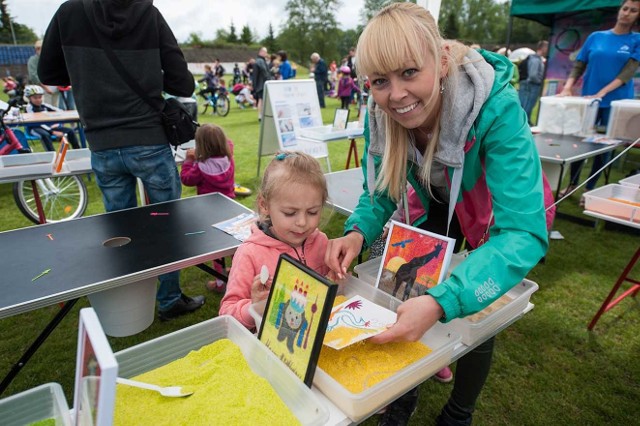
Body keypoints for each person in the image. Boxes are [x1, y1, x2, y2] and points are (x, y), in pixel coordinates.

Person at [323, 4, 550, 425]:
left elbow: (521, 231)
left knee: (475, 302)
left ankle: (458, 413)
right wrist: (356, 233)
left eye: (409, 72)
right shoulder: (379, 113)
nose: (395, 95)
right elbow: (381, 190)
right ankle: (403, 391)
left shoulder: (495, 106)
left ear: (442, 61)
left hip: (490, 216)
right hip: (431, 201)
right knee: (405, 288)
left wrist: (446, 300)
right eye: (380, 81)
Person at [38, 0, 204, 321]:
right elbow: (183, 83)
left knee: (122, 231)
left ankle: (130, 304)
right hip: (148, 140)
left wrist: (88, 71)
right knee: (166, 224)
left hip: (102, 142)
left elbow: (49, 72)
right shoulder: (148, 14)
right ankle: (168, 299)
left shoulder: (69, 12)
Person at [219, 151, 331, 330]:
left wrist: (335, 279)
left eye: (312, 212)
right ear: (264, 205)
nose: (302, 222)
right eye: (290, 213)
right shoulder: (250, 254)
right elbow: (226, 314)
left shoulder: (321, 242)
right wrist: (255, 308)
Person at [558, 0, 640, 201]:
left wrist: (602, 93)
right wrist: (568, 87)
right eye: (625, 8)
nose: (627, 13)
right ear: (619, 10)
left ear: (637, 15)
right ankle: (572, 184)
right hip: (589, 101)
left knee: (605, 147)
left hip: (616, 104)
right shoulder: (596, 37)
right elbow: (579, 65)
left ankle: (590, 190)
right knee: (581, 142)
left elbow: (627, 73)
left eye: (633, 11)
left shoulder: (636, 40)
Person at [181, 124, 235, 294]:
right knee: (234, 245)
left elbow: (186, 179)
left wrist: (189, 160)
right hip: (230, 208)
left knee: (216, 250)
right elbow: (229, 144)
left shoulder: (199, 167)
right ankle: (240, 273)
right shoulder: (229, 158)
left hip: (209, 213)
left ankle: (220, 283)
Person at [23, 85, 80, 151]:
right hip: (35, 128)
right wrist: (52, 131)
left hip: (50, 127)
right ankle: (51, 154)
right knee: (45, 135)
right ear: (29, 98)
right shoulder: (29, 108)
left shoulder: (44, 105)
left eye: (40, 97)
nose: (38, 100)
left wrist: (58, 124)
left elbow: (60, 112)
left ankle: (77, 150)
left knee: (70, 131)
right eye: (35, 98)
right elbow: (36, 123)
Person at [518, 41, 549, 124]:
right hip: (531, 85)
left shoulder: (534, 59)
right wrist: (540, 82)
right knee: (527, 105)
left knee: (524, 104)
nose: (548, 50)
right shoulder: (535, 60)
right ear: (542, 48)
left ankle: (523, 122)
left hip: (528, 84)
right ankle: (525, 123)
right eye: (547, 47)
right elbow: (533, 75)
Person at [27, 39, 58, 106]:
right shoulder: (33, 60)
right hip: (40, 90)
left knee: (55, 108)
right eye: (39, 48)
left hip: (54, 88)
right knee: (45, 107)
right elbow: (33, 76)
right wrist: (46, 88)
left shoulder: (50, 59)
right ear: (36, 49)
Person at [252, 47, 271, 121]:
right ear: (261, 52)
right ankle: (260, 115)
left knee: (261, 100)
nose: (266, 54)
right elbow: (262, 73)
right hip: (262, 85)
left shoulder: (260, 61)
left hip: (261, 84)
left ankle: (261, 115)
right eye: (265, 52)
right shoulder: (259, 61)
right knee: (261, 100)